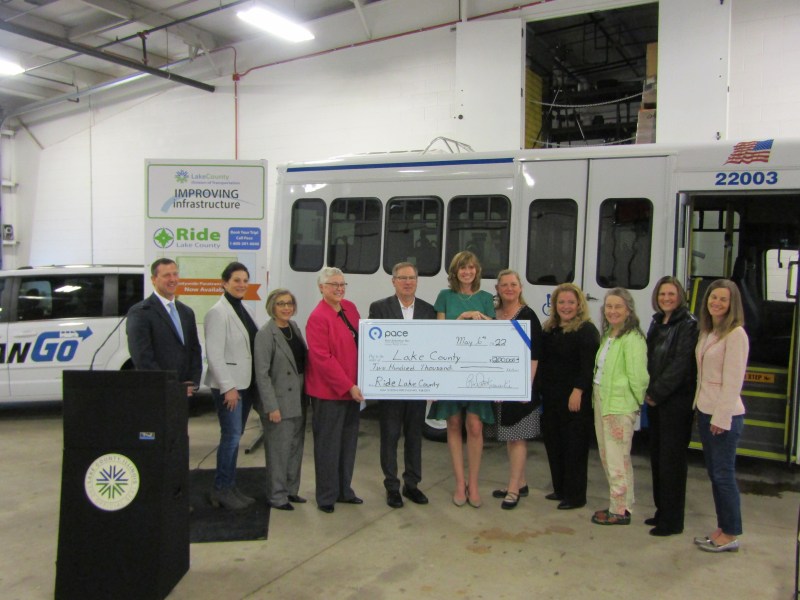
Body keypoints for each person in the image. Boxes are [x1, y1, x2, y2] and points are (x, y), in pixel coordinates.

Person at [428, 250, 495, 508]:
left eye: (471, 268)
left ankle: (474, 483)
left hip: (477, 370)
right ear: (454, 272)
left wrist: (483, 317)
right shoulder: (444, 297)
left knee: (475, 426)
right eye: (462, 268)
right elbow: (440, 334)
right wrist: (463, 317)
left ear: (477, 271)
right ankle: (459, 483)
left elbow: (496, 333)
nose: (467, 272)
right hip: (451, 370)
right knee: (454, 424)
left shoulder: (487, 298)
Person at [368, 263, 437, 509]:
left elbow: (434, 349)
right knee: (389, 436)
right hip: (390, 387)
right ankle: (391, 487)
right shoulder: (379, 308)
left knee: (414, 438)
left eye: (412, 278)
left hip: (417, 387)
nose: (408, 282)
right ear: (393, 281)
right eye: (402, 278)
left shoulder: (429, 310)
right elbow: (373, 348)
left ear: (417, 281)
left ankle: (412, 485)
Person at [693, 279, 749, 553]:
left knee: (723, 475)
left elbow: (733, 382)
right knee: (715, 474)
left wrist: (721, 417)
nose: (716, 303)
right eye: (713, 298)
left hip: (723, 417)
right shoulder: (709, 331)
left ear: (732, 304)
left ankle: (731, 533)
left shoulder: (736, 335)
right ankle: (723, 527)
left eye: (722, 299)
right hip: (705, 410)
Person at [306, 267, 364, 514]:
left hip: (353, 390)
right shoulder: (317, 317)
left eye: (342, 284)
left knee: (348, 443)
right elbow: (323, 359)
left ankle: (344, 490)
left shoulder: (350, 307)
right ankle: (326, 496)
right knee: (328, 446)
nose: (339, 288)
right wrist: (348, 386)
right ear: (321, 288)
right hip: (330, 393)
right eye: (333, 285)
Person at [644, 277, 699, 536]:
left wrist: (656, 392)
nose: (667, 298)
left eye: (672, 294)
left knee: (672, 463)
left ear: (680, 297)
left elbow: (681, 365)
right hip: (655, 401)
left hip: (675, 403)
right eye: (663, 293)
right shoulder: (657, 322)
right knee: (657, 458)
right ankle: (661, 511)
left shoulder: (689, 325)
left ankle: (673, 520)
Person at [537, 283, 599, 511]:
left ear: (579, 304)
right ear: (554, 305)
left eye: (571, 302)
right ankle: (560, 489)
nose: (566, 306)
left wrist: (579, 390)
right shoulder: (550, 328)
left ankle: (576, 496)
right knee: (554, 445)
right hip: (552, 398)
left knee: (574, 448)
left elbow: (588, 366)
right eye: (561, 302)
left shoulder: (587, 331)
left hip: (574, 399)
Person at [204, 262, 260, 511]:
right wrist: (228, 387)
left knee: (235, 438)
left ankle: (230, 485)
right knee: (231, 437)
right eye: (236, 280)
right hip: (230, 388)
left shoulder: (243, 308)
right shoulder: (218, 312)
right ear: (224, 283)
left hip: (244, 384)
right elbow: (214, 354)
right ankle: (221, 489)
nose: (241, 285)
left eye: (245, 280)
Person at [590, 288, 649, 526]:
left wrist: (635, 405)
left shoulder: (632, 338)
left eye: (618, 307)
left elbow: (639, 377)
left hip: (619, 405)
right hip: (603, 402)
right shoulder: (610, 335)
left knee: (616, 459)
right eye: (609, 307)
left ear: (628, 310)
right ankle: (624, 503)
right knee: (612, 457)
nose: (613, 311)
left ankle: (618, 510)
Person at [488, 269, 542, 510]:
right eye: (504, 285)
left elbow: (535, 356)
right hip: (500, 387)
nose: (509, 288)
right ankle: (520, 482)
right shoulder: (496, 314)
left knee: (517, 437)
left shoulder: (528, 316)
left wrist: (525, 388)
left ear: (520, 288)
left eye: (513, 284)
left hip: (520, 388)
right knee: (509, 436)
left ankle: (512, 490)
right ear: (498, 289)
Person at [254, 288, 308, 511]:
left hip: (298, 399)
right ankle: (277, 496)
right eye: (281, 304)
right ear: (272, 307)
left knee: (295, 448)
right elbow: (262, 374)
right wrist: (271, 406)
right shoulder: (266, 334)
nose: (286, 308)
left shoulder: (293, 328)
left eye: (289, 303)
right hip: (278, 403)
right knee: (278, 452)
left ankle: (291, 490)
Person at [127, 257, 202, 397]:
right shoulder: (140, 312)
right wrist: (170, 386)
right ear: (154, 279)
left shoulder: (186, 312)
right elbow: (142, 357)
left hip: (184, 392)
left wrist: (193, 382)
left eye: (175, 274)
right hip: (156, 392)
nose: (172, 279)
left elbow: (194, 349)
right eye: (166, 275)